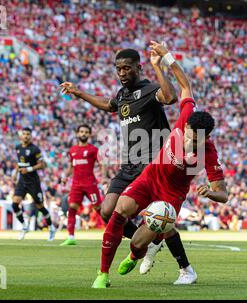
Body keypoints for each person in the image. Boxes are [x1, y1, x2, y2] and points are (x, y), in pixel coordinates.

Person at [92, 42, 228, 288]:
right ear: (185, 125)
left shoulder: (208, 152)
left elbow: (224, 194)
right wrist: (166, 57)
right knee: (117, 211)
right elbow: (185, 85)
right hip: (150, 177)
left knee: (137, 244)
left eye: (195, 138)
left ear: (205, 138)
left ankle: (144, 255)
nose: (188, 139)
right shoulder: (186, 116)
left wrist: (211, 193)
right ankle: (102, 275)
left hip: (170, 196)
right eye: (187, 133)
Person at [60, 47, 195, 281]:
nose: (122, 73)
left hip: (153, 163)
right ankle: (149, 243)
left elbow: (171, 97)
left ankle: (184, 267)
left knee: (161, 218)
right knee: (107, 210)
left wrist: (158, 66)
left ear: (138, 67)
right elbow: (108, 104)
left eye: (127, 68)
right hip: (129, 164)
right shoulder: (123, 94)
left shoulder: (150, 89)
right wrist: (78, 93)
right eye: (118, 68)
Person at [60, 124, 104, 246]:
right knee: (72, 208)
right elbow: (71, 166)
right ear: (77, 133)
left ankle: (115, 231)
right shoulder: (72, 150)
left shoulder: (93, 149)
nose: (83, 134)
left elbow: (102, 164)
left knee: (99, 209)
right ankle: (71, 237)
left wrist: (104, 177)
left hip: (90, 184)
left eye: (86, 132)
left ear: (89, 135)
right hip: (76, 184)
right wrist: (65, 176)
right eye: (81, 131)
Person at [11, 127, 56, 241]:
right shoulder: (18, 147)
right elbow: (19, 162)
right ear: (21, 135)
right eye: (24, 134)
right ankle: (24, 226)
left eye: (28, 134)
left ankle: (51, 227)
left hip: (33, 182)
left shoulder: (35, 149)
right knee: (15, 203)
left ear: (31, 136)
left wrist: (29, 169)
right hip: (22, 181)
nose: (25, 136)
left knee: (40, 206)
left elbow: (42, 164)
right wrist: (15, 173)